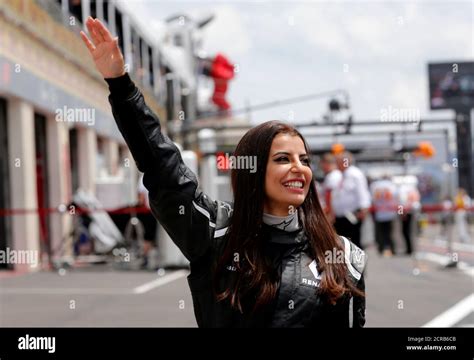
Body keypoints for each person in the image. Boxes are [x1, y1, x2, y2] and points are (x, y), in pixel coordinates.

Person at [80, 17, 366, 328]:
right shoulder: (215, 235)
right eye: (283, 159)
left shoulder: (344, 257)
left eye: (305, 160)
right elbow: (164, 169)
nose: (299, 167)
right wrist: (121, 85)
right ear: (253, 171)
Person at [331, 152, 371, 249]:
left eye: (338, 162)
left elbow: (362, 191)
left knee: (354, 240)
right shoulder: (342, 175)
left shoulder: (355, 174)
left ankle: (356, 262)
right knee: (344, 241)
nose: (336, 164)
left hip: (352, 214)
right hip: (342, 216)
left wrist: (363, 208)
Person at [370, 176, 398, 256]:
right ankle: (391, 249)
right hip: (390, 212)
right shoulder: (392, 185)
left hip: (379, 212)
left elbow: (372, 198)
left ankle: (382, 248)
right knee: (390, 232)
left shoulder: (375, 185)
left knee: (380, 232)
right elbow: (396, 197)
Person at [319, 153, 342, 220]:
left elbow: (329, 195)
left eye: (322, 164)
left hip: (333, 212)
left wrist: (329, 213)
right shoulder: (336, 174)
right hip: (336, 211)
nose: (322, 167)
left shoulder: (333, 176)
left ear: (326, 164)